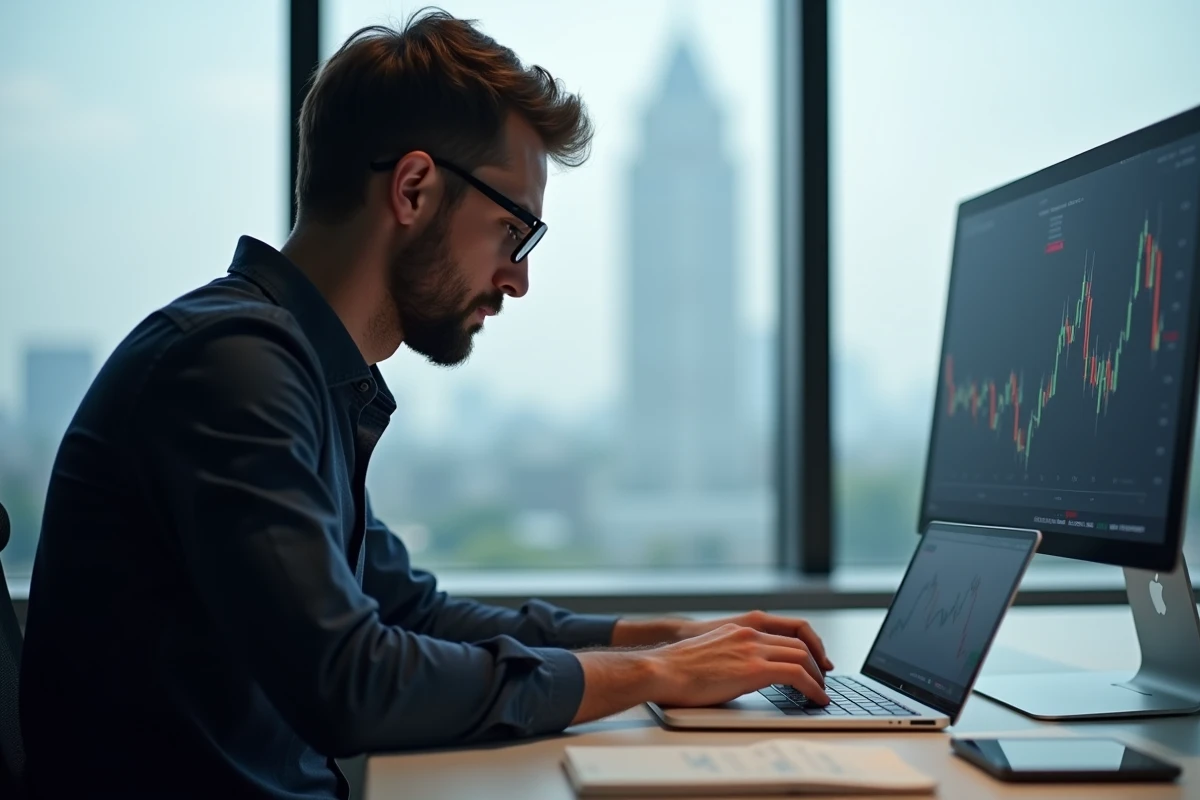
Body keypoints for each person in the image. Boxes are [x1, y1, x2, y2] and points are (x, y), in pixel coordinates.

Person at [19, 10, 832, 800]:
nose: (519, 278)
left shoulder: (300, 373)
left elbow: (411, 612)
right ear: (413, 189)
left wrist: (661, 639)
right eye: (514, 232)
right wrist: (652, 676)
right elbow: (351, 681)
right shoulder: (232, 368)